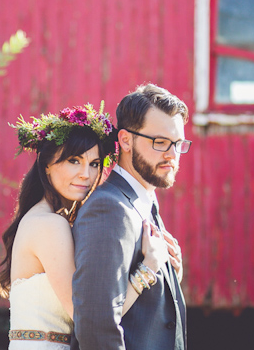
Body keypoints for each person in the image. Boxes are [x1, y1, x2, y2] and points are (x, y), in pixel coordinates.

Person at [0, 103, 170, 350]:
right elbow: (90, 317)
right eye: (74, 161)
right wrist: (148, 268)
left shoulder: (48, 219)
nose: (86, 175)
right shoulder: (49, 225)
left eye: (95, 164)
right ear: (46, 164)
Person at [71, 84, 190, 350]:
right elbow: (96, 324)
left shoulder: (145, 201)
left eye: (178, 144)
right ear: (126, 140)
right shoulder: (109, 209)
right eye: (160, 142)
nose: (172, 155)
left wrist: (172, 275)